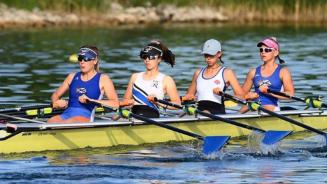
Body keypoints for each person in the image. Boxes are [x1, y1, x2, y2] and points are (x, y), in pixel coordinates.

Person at [47, 45, 119, 123]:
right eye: (80, 58)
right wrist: (56, 103)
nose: (82, 62)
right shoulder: (71, 77)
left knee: (70, 122)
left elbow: (115, 104)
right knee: (51, 121)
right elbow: (55, 95)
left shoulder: (103, 79)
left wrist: (91, 100)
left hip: (85, 117)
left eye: (86, 59)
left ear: (95, 61)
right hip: (66, 115)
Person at [121, 40, 181, 118]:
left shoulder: (166, 80)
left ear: (159, 59)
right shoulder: (135, 77)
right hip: (134, 116)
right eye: (145, 56)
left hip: (155, 117)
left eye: (151, 56)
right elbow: (125, 100)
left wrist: (157, 102)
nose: (147, 60)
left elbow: (177, 105)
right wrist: (128, 103)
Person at [183, 39, 244, 114]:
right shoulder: (198, 73)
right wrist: (189, 98)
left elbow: (241, 97)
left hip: (217, 111)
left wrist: (223, 95)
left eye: (211, 55)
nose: (208, 58)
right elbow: (189, 96)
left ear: (219, 54)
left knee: (205, 112)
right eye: (206, 55)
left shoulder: (227, 73)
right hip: (199, 110)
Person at [241, 37, 294, 112]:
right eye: (261, 50)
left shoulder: (283, 72)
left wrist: (269, 92)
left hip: (272, 109)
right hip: (253, 106)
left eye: (267, 50)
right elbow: (241, 95)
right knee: (242, 110)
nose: (263, 52)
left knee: (263, 107)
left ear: (275, 52)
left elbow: (290, 94)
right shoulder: (253, 72)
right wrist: (247, 96)